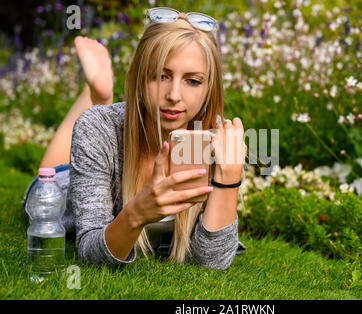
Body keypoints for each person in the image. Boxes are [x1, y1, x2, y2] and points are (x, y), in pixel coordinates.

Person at [22, 8, 247, 270]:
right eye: (160, 76)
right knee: (50, 174)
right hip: (68, 181)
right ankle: (94, 96)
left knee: (96, 128)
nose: (174, 95)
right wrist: (138, 212)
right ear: (140, 78)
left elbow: (212, 262)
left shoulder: (216, 140)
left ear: (210, 89)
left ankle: (99, 97)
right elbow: (92, 253)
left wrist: (229, 177)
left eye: (192, 81)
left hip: (104, 141)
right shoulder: (98, 128)